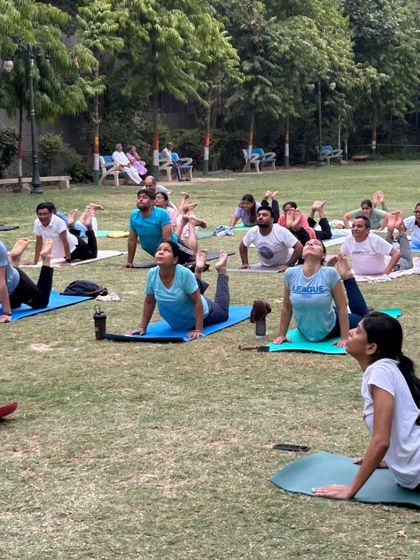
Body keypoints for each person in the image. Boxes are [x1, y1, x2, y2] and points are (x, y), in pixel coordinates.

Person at [314, 312, 420, 499]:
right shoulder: (390, 367)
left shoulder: (380, 371)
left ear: (371, 347)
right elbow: (406, 422)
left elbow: (381, 440)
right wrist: (390, 458)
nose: (350, 332)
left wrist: (350, 490)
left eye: (358, 331)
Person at [273, 242, 368, 347]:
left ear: (323, 256)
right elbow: (287, 307)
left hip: (332, 323)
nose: (310, 244)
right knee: (319, 300)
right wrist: (281, 335)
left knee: (366, 321)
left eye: (316, 244)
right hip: (314, 313)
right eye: (307, 243)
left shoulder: (330, 273)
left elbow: (342, 307)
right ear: (302, 254)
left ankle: (348, 277)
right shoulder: (290, 273)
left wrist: (344, 337)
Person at [127, 243, 230, 338]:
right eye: (159, 249)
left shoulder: (184, 273)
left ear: (175, 259)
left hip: (206, 314)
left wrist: (198, 329)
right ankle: (198, 270)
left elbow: (198, 302)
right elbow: (149, 301)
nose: (161, 252)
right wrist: (142, 327)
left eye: (166, 250)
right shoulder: (152, 273)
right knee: (189, 289)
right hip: (180, 321)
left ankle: (222, 271)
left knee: (223, 313)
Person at [125, 190, 194, 267]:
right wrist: (129, 262)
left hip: (176, 245)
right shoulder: (134, 215)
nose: (140, 199)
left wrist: (166, 259)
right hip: (160, 251)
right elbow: (132, 240)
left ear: (152, 202)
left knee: (192, 257)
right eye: (139, 197)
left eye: (144, 197)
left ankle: (192, 221)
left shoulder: (161, 213)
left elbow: (167, 240)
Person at [0, 238, 54, 323]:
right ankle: (15, 259)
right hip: (7, 284)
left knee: (41, 302)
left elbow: (1, 282)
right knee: (14, 304)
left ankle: (46, 257)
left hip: (17, 284)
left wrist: (7, 313)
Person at [341, 215, 412, 276]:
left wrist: (385, 274)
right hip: (384, 257)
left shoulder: (374, 239)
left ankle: (401, 231)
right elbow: (341, 256)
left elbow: (396, 254)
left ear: (367, 230)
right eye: (353, 226)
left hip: (396, 265)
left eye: (359, 226)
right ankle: (390, 232)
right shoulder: (349, 239)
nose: (355, 229)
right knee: (385, 248)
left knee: (408, 262)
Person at [239, 205, 303, 271]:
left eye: (264, 215)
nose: (260, 217)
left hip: (284, 263)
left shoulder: (281, 231)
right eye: (258, 215)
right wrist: (245, 263)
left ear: (272, 219)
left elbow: (299, 248)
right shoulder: (253, 231)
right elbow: (243, 245)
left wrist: (288, 265)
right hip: (265, 266)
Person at [33, 202, 98, 263]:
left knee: (92, 254)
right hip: (64, 251)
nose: (42, 217)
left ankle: (89, 227)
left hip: (76, 247)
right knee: (71, 236)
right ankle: (71, 225)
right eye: (40, 214)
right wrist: (35, 261)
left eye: (45, 214)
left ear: (51, 213)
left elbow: (65, 242)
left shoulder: (58, 222)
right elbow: (39, 242)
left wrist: (68, 260)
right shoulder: (37, 222)